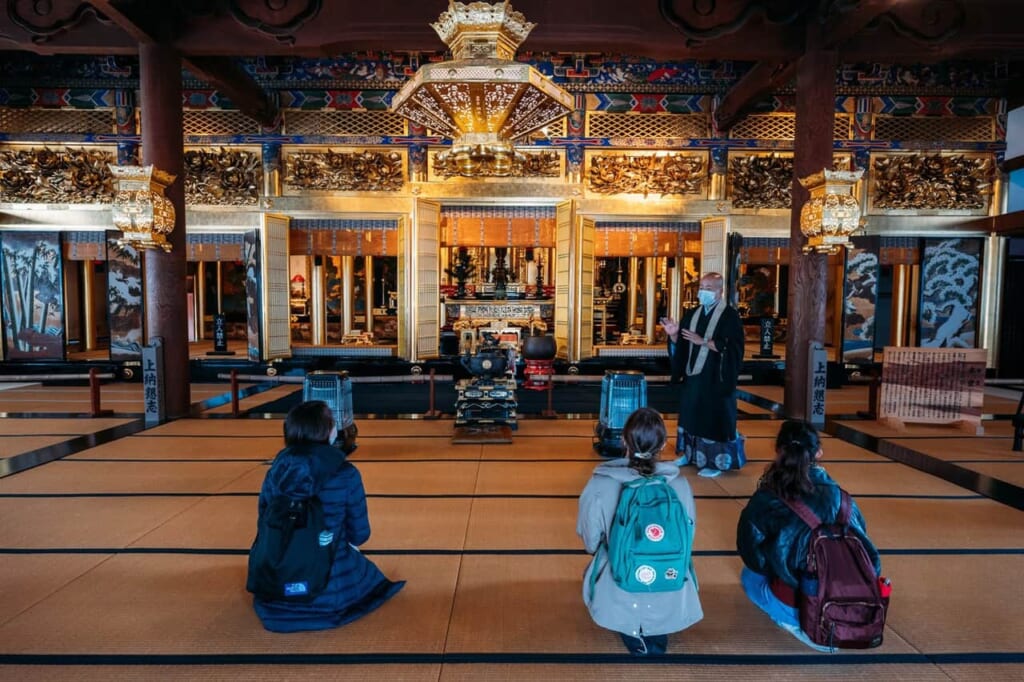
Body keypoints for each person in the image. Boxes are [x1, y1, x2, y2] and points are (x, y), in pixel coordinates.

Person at [252, 400, 404, 633]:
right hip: (331, 592)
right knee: (347, 556)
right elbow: (360, 534)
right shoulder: (346, 473)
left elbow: (264, 521)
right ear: (329, 432)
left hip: (276, 580)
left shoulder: (276, 471)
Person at [735, 420, 882, 652]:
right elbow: (867, 551)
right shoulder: (842, 499)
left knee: (749, 576)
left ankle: (794, 621)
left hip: (798, 600)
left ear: (778, 451)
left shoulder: (767, 497)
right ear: (819, 453)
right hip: (849, 599)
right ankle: (832, 620)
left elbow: (753, 557)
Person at [577, 407, 703, 655]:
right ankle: (660, 622)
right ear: (664, 444)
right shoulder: (679, 484)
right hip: (671, 574)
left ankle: (631, 623)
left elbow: (590, 539)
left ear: (623, 440)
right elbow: (687, 536)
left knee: (603, 558)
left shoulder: (602, 482)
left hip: (620, 577)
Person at [660, 271, 746, 477]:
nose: (703, 292)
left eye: (708, 289)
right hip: (694, 377)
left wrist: (704, 342)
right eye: (701, 288)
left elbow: (734, 348)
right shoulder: (692, 314)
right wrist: (673, 335)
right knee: (690, 415)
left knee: (713, 419)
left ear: (720, 291)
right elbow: (682, 344)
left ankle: (715, 462)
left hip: (717, 378)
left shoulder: (730, 316)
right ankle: (689, 455)